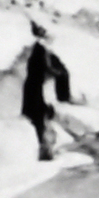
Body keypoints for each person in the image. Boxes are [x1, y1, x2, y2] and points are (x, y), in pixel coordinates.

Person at [20, 23, 73, 161]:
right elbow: (49, 67)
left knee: (39, 120)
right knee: (40, 120)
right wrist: (59, 75)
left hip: (33, 89)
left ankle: (44, 149)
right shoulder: (40, 49)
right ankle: (44, 150)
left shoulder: (38, 49)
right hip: (35, 90)